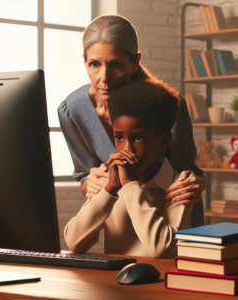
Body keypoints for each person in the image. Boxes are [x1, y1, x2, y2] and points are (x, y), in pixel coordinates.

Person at [58, 14, 206, 228]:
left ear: (134, 63)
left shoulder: (169, 104)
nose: (104, 77)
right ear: (84, 61)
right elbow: (84, 177)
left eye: (116, 64)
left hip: (172, 219)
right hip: (121, 225)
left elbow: (190, 172)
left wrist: (195, 183)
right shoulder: (71, 111)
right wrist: (89, 183)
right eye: (94, 64)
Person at [64, 79, 192, 258]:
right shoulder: (110, 181)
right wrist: (109, 191)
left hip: (160, 283)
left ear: (164, 141)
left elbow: (162, 249)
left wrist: (130, 185)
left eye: (139, 138)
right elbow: (74, 242)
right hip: (114, 282)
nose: (126, 150)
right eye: (119, 138)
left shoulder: (180, 186)